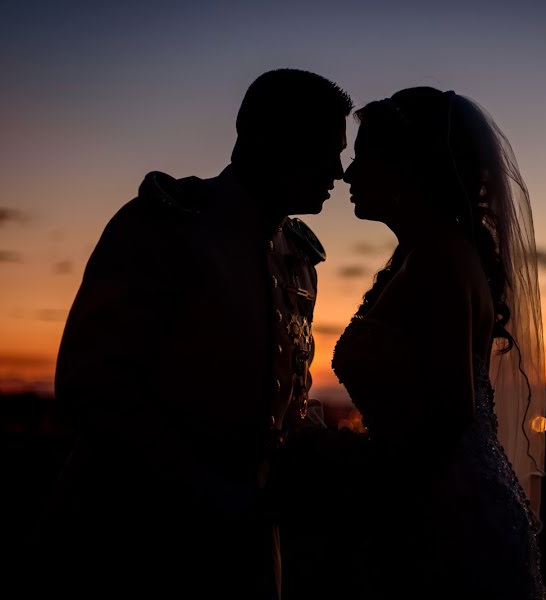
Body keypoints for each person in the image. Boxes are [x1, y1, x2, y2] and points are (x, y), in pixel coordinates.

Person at [35, 69, 351, 599]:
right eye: (325, 149)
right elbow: (92, 386)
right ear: (266, 138)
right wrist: (217, 496)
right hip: (130, 543)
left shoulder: (299, 257)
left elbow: (285, 392)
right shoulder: (162, 225)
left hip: (243, 550)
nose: (338, 172)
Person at [333, 87, 546, 599]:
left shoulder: (439, 262)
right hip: (435, 505)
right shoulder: (424, 254)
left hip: (449, 519)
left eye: (364, 158)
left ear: (409, 168)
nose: (348, 174)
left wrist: (340, 463)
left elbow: (448, 420)